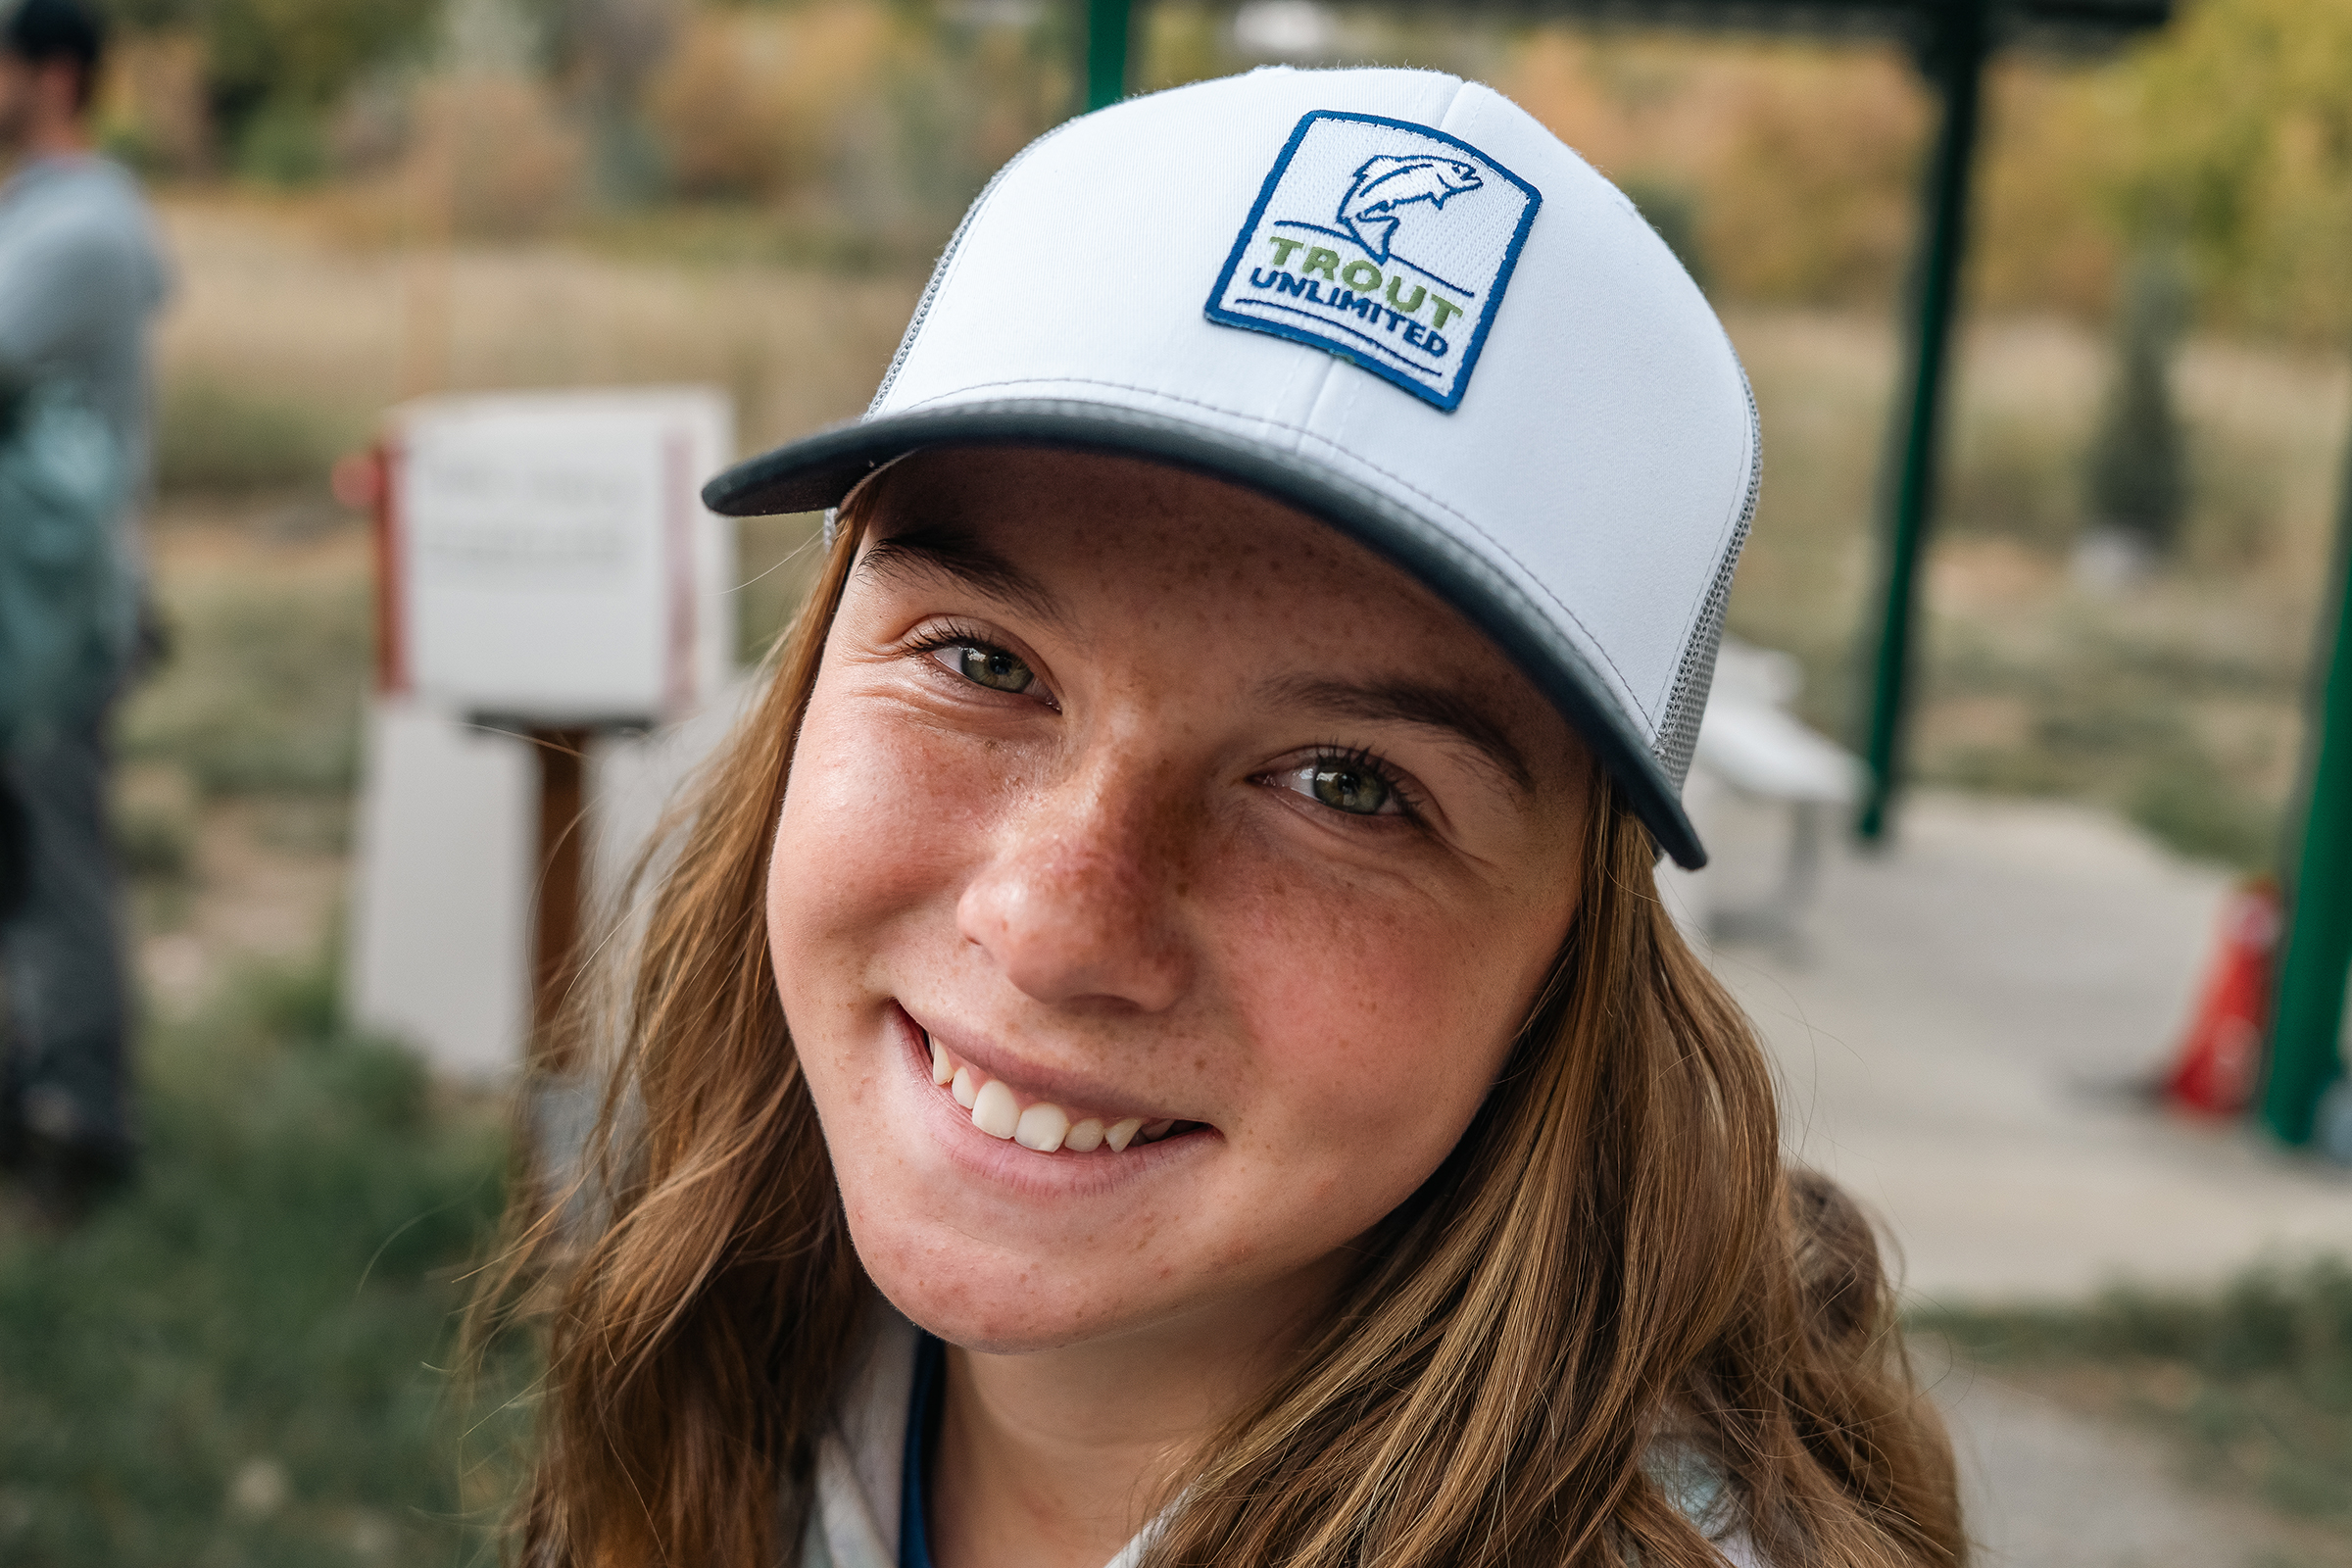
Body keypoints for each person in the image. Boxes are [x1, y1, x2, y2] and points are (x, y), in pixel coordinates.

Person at [478, 68, 1961, 1568]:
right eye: (983, 664)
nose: (1054, 929)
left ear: (1569, 944)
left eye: (1347, 786)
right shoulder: (737, 1324)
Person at [0, 0, 170, 1215]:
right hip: (24, 603)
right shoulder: (41, 214)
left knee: (53, 857)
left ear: (52, 75)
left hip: (53, 618)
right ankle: (36, 1088)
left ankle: (84, 1127)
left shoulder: (84, 227)